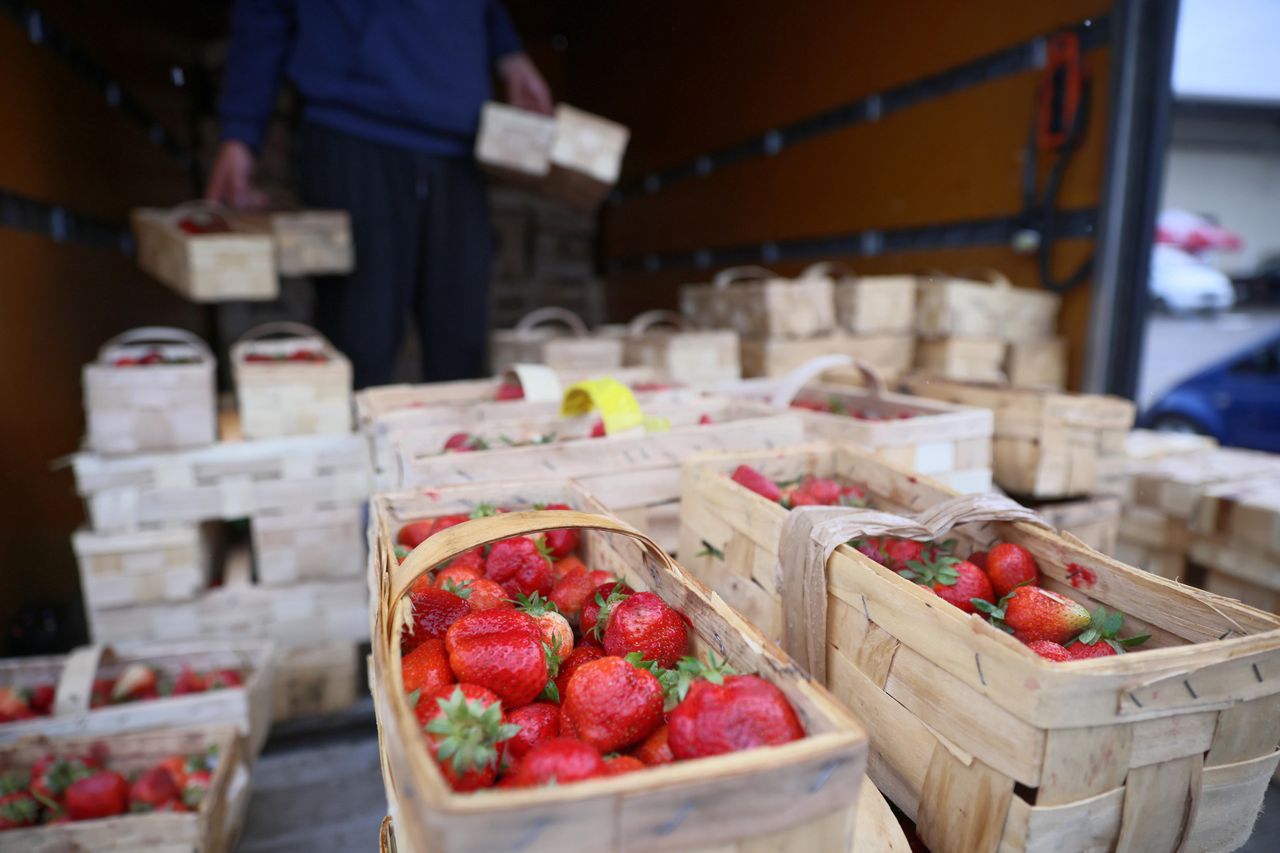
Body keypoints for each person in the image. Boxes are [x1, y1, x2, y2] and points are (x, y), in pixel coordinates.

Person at [206, 1, 552, 388]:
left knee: (463, 350)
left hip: (458, 142)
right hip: (353, 125)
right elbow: (263, 11)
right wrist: (240, 129)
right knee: (360, 345)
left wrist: (509, 53)